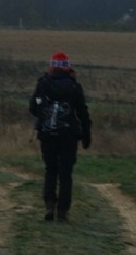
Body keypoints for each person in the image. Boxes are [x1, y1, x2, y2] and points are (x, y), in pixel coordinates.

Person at [29, 52, 92, 222]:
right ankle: (63, 211)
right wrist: (86, 135)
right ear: (67, 67)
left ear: (52, 66)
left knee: (50, 170)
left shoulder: (42, 84)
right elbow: (83, 113)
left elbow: (33, 107)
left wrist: (44, 113)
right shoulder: (74, 87)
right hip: (68, 136)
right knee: (65, 173)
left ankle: (49, 205)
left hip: (47, 134)